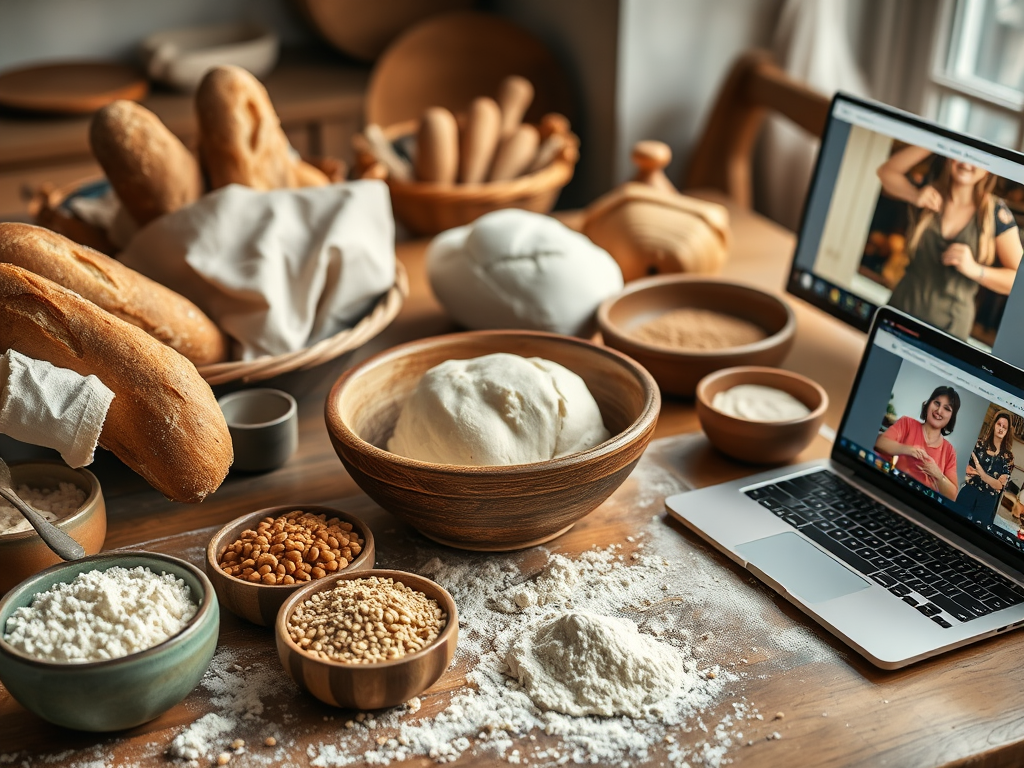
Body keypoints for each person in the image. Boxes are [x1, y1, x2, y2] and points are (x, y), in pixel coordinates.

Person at [876, 145, 1023, 341]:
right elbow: (886, 172)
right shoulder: (927, 193)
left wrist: (975, 270)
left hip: (949, 330)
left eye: (977, 158)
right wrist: (915, 195)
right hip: (901, 312)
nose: (967, 163)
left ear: (989, 167)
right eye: (961, 152)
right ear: (948, 156)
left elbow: (1018, 281)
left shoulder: (995, 213)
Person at [874, 385, 960, 500]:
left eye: (947, 408)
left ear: (951, 417)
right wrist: (909, 450)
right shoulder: (907, 423)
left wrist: (938, 474)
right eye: (936, 403)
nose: (939, 411)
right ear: (928, 403)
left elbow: (952, 496)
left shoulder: (949, 451)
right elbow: (880, 443)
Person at [959, 411, 1015, 526]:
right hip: (969, 492)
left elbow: (999, 485)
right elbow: (967, 469)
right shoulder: (979, 445)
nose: (1001, 428)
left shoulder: (1008, 457)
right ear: (994, 425)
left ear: (1007, 431)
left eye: (1004, 427)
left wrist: (981, 473)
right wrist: (990, 479)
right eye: (999, 424)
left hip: (987, 501)